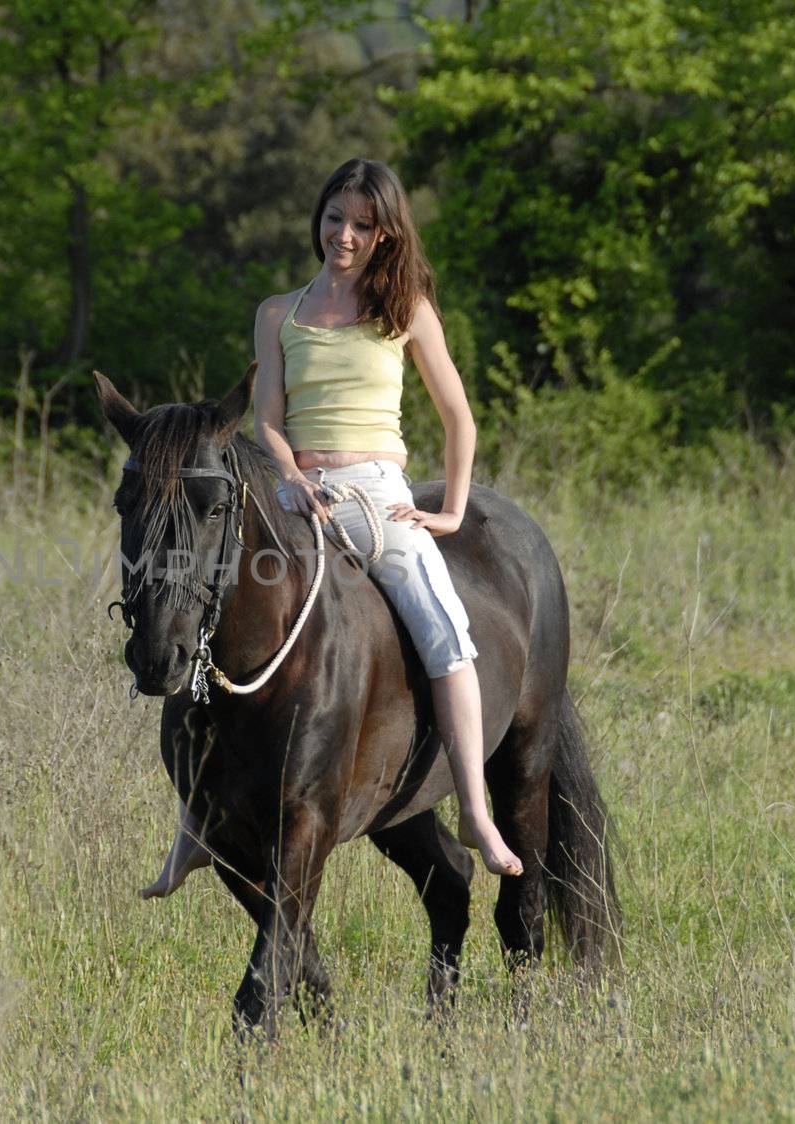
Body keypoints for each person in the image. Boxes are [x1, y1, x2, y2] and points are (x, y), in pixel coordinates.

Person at [141, 157, 522, 900]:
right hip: (295, 494)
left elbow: (459, 418)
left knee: (445, 633)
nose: (343, 236)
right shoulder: (279, 312)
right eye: (333, 219)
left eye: (361, 225)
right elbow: (269, 420)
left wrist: (449, 509)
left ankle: (474, 808)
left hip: (378, 496)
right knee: (211, 617)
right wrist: (285, 474)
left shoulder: (406, 309)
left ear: (385, 235)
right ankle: (196, 819)